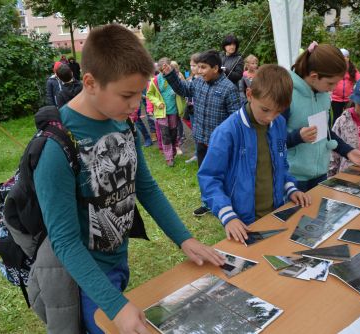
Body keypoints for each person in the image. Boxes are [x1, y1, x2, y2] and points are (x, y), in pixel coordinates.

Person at [30, 24, 225, 334]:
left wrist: (184, 239)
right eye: (127, 95)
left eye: (140, 94)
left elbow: (145, 187)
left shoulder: (123, 124)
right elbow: (65, 241)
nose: (136, 106)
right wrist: (115, 305)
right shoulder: (57, 147)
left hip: (118, 259)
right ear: (91, 82)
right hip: (85, 279)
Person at [198, 64, 311, 243]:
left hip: (275, 214)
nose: (270, 117)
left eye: (278, 111)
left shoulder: (279, 123)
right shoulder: (227, 132)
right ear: (249, 95)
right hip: (241, 222)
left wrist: (290, 188)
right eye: (265, 109)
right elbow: (209, 178)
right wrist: (228, 216)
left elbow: (281, 164)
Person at [161, 49, 240, 216]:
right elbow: (183, 89)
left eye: (203, 67)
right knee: (205, 175)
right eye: (198, 67)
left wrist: (229, 140)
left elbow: (235, 120)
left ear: (216, 68)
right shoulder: (198, 83)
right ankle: (208, 202)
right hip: (200, 140)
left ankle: (226, 205)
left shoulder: (228, 89)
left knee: (221, 175)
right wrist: (171, 75)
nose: (199, 71)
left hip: (219, 144)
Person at [285, 42, 360, 192]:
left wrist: (348, 151)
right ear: (314, 76)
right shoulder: (287, 95)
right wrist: (297, 137)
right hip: (293, 179)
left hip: (319, 174)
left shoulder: (323, 95)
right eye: (331, 83)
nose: (333, 88)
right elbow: (270, 141)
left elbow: (324, 132)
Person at [146, 57, 186, 167]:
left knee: (173, 134)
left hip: (173, 110)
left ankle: (172, 153)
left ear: (170, 66)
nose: (165, 71)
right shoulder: (155, 80)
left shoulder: (176, 77)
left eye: (166, 68)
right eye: (162, 70)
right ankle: (168, 158)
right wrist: (158, 103)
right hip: (161, 112)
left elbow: (184, 89)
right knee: (165, 135)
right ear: (159, 69)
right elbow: (150, 94)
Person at [330, 48, 360, 127]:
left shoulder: (352, 69)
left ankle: (348, 132)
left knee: (349, 117)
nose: (344, 59)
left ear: (348, 58)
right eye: (342, 57)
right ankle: (335, 132)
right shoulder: (333, 68)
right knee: (337, 117)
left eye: (346, 57)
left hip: (349, 99)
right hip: (335, 99)